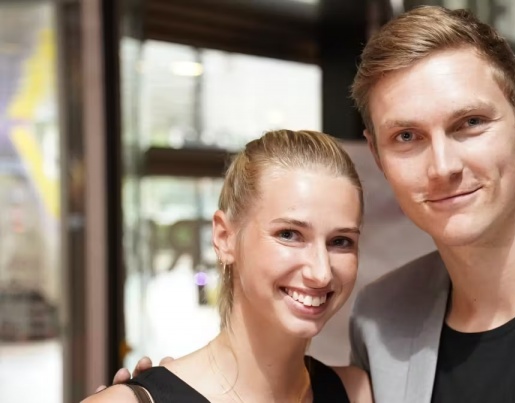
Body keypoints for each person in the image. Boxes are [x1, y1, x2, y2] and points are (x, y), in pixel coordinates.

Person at [115, 5, 515, 403]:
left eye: (469, 123)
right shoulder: (382, 322)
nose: (443, 165)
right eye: (407, 136)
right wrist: (169, 388)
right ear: (380, 156)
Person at [84, 129, 372, 402]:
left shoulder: (356, 392)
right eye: (289, 234)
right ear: (225, 238)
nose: (321, 273)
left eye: (341, 241)